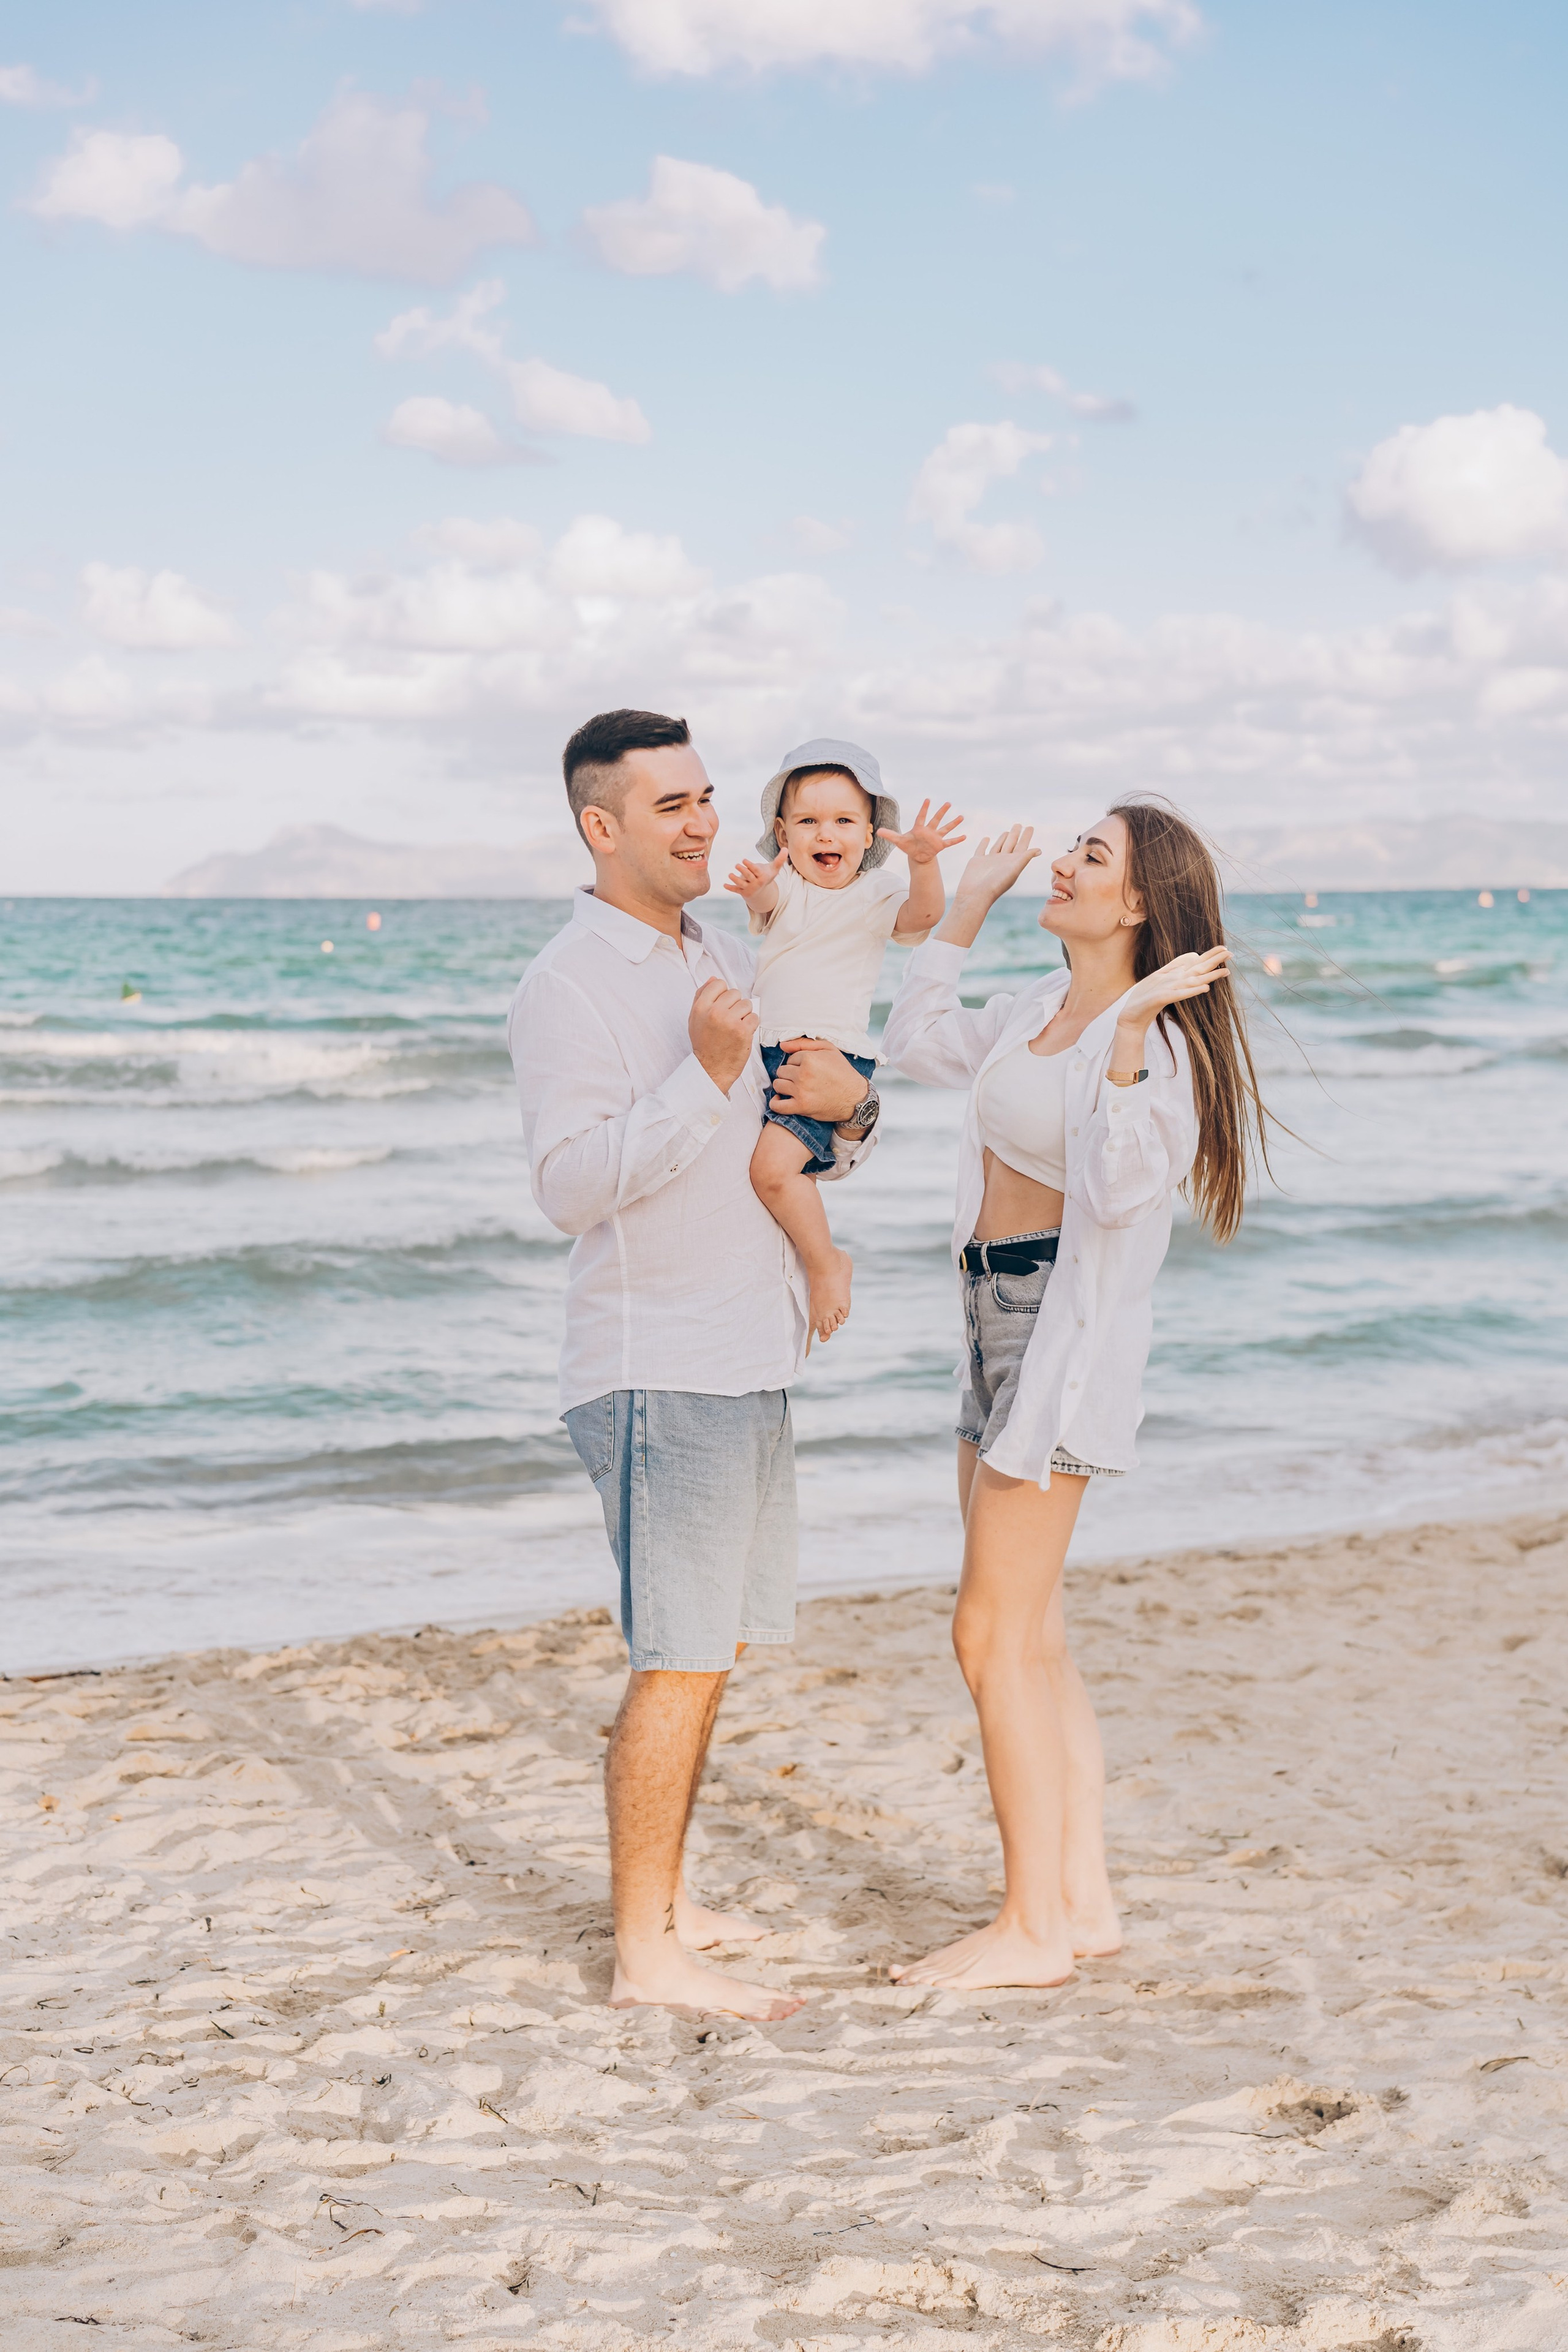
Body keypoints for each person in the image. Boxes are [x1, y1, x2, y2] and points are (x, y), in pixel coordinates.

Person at [507, 709, 881, 2020]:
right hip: (656, 1358)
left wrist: (851, 1118)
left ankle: (663, 1904)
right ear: (600, 827)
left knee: (710, 1647)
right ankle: (643, 1956)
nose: (702, 822)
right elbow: (564, 1187)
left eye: (707, 797)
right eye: (669, 805)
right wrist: (700, 1075)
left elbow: (791, 1123)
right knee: (674, 1656)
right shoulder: (569, 983)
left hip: (743, 1342)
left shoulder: (720, 944)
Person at [880, 800, 1269, 1991]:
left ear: (1139, 902)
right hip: (989, 1317)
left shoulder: (1152, 1047)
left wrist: (1126, 1026)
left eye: (1088, 857)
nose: (1062, 862)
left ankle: (1028, 1928)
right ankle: (1081, 1904)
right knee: (1031, 1636)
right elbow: (910, 1041)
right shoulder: (1033, 1011)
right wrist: (966, 904)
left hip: (1058, 1333)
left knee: (987, 1633)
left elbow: (1114, 1191)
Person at [725, 738, 964, 1342]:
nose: (824, 834)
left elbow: (921, 918)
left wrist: (925, 863)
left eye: (842, 821)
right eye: (807, 822)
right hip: (773, 1054)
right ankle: (786, 1286)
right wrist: (756, 884)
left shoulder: (877, 893)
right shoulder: (789, 891)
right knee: (781, 1172)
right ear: (783, 835)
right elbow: (765, 900)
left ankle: (827, 1261)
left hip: (828, 1059)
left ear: (870, 835)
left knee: (774, 1173)